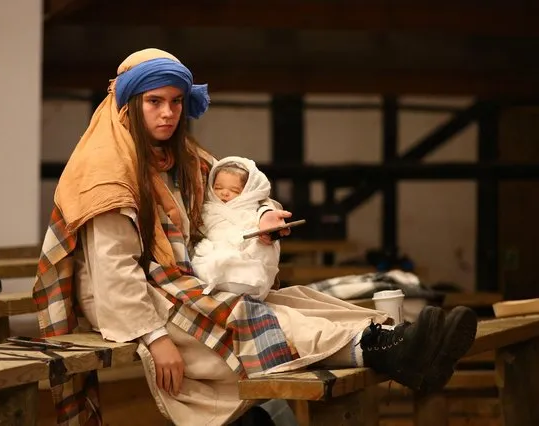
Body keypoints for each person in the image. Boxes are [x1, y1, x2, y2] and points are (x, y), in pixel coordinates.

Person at [33, 48, 478, 426]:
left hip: (180, 279)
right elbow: (113, 271)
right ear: (130, 104)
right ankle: (388, 349)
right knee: (248, 315)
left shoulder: (178, 158)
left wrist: (259, 227)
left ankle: (394, 341)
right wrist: (154, 338)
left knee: (294, 300)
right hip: (132, 302)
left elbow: (228, 208)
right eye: (155, 102)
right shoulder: (105, 173)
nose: (168, 113)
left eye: (175, 102)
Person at [191, 156, 280, 300]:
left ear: (248, 192)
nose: (224, 193)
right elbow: (198, 232)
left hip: (243, 259)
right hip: (210, 262)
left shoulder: (253, 211)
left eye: (234, 190)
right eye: (218, 188)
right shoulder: (207, 208)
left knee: (260, 246)